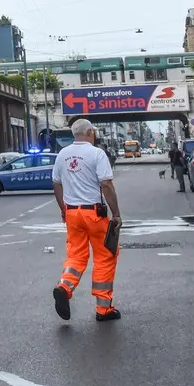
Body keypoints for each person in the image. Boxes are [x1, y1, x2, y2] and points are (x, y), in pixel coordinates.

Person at [51, 118, 123, 323]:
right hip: (94, 214)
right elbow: (106, 185)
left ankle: (64, 287)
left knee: (76, 255)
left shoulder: (62, 154)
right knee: (105, 256)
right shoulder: (97, 153)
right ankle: (104, 309)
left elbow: (56, 184)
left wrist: (63, 210)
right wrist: (116, 213)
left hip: (73, 214)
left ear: (74, 133)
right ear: (90, 131)